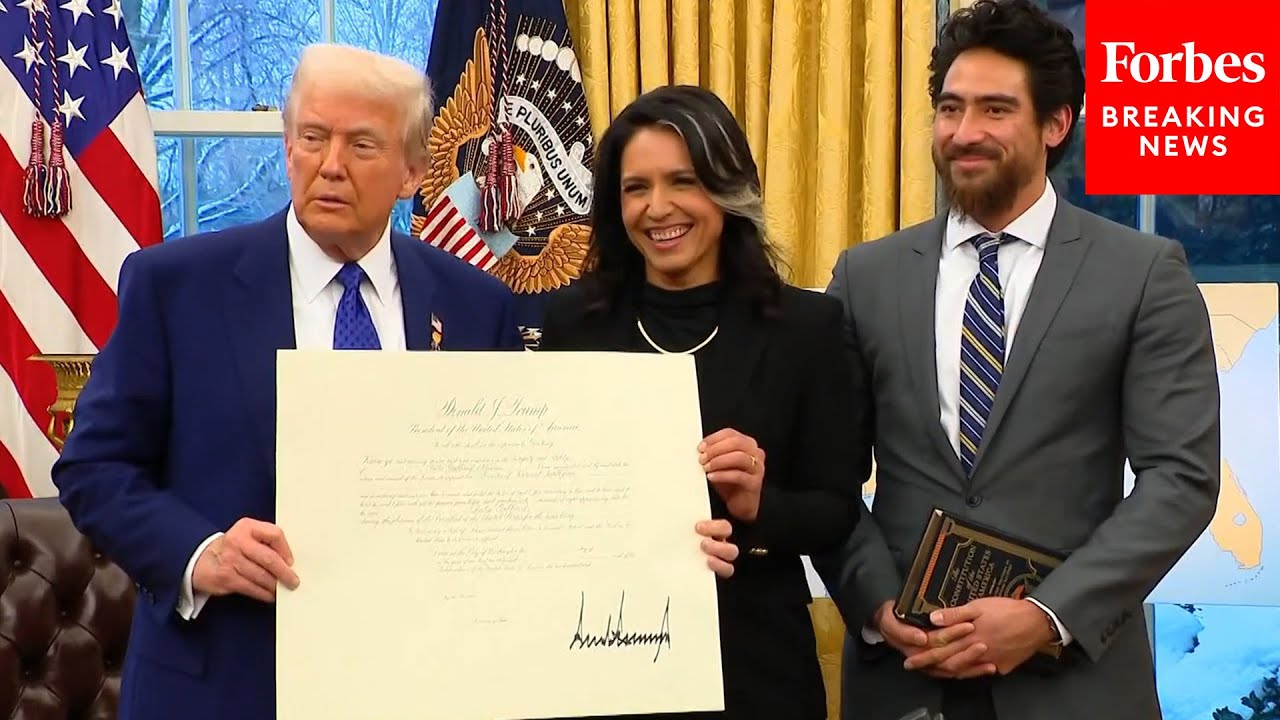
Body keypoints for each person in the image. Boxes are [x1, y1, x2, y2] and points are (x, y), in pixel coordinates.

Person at [50, 44, 529, 720]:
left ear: (413, 172)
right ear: (288, 147)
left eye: (362, 145)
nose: (330, 165)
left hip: (421, 684)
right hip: (223, 684)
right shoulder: (176, 286)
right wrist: (200, 551)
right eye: (312, 138)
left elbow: (511, 492)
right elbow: (93, 467)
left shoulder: (478, 306)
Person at [812, 1, 1220, 719]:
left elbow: (1181, 479)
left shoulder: (1144, 272)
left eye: (996, 110)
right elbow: (827, 477)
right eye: (950, 108)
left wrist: (1047, 616)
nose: (965, 133)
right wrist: (875, 601)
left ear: (1056, 124)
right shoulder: (865, 276)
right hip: (905, 676)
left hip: (1075, 685)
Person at [538, 84, 866, 720]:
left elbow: (836, 512)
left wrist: (755, 510)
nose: (658, 208)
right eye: (636, 188)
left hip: (754, 669)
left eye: (683, 181)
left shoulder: (808, 328)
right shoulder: (571, 324)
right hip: (599, 672)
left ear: (726, 188)